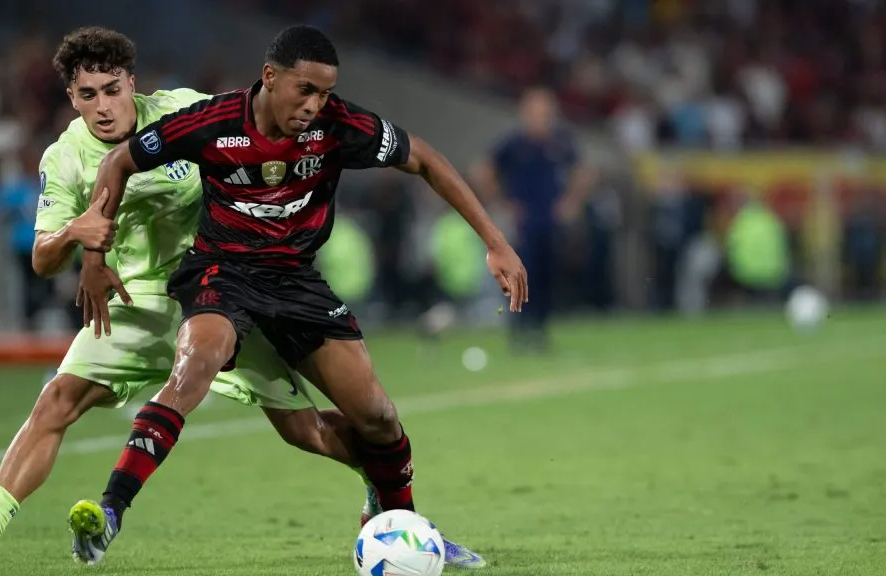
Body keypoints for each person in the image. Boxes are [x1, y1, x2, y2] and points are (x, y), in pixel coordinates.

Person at [0, 26, 384, 576]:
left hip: (222, 293)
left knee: (304, 430)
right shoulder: (65, 157)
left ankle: (379, 477)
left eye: (112, 89)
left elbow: (255, 125)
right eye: (88, 95)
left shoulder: (181, 111)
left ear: (133, 82)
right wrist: (74, 238)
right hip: (132, 301)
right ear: (71, 97)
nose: (104, 107)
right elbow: (42, 257)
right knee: (57, 400)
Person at [72, 24, 527, 569]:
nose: (316, 104)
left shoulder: (338, 126)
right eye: (305, 90)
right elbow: (118, 161)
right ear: (270, 77)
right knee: (194, 368)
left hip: (297, 283)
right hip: (223, 273)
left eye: (325, 93)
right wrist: (94, 259)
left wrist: (496, 243)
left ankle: (401, 528)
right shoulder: (213, 123)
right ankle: (112, 511)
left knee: (378, 418)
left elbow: (424, 158)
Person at [474, 87, 594, 352]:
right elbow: (483, 170)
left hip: (549, 221)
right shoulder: (514, 144)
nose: (542, 118)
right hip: (523, 223)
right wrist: (502, 204)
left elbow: (583, 171)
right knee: (520, 274)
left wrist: (571, 202)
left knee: (547, 276)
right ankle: (519, 331)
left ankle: (540, 330)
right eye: (537, 112)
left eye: (546, 112)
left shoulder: (560, 142)